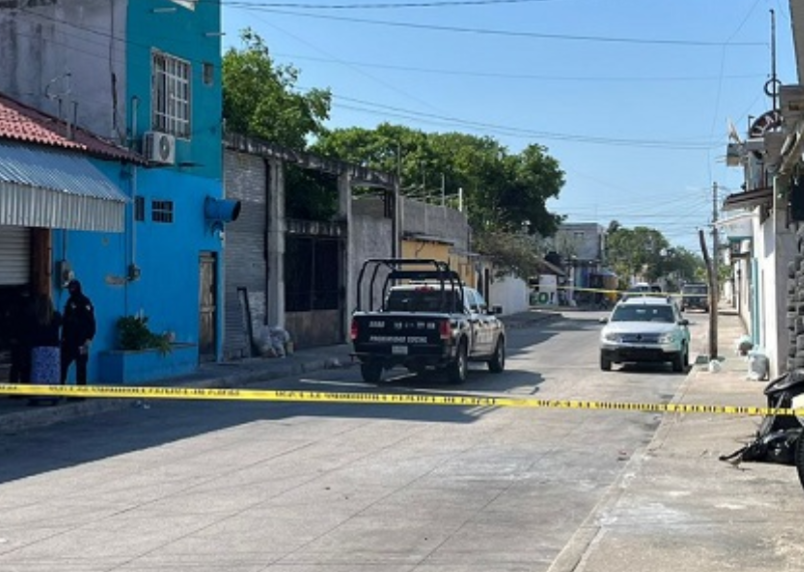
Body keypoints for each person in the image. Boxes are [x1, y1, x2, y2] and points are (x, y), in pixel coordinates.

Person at [60, 280, 96, 386]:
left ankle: (80, 392)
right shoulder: (69, 302)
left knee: (81, 366)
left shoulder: (85, 302)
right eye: (69, 288)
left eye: (72, 288)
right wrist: (63, 337)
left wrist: (89, 338)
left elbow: (91, 322)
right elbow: (66, 322)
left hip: (82, 340)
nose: (70, 291)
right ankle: (60, 388)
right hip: (69, 340)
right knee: (63, 364)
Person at [29, 295, 62, 405]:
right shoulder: (56, 316)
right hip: (53, 348)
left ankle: (37, 396)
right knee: (52, 373)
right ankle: (53, 396)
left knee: (38, 374)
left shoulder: (35, 317)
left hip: (38, 347)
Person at [8, 288, 35, 386]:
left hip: (21, 340)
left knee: (18, 365)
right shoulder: (29, 306)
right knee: (23, 365)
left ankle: (16, 389)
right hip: (25, 340)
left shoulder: (15, 306)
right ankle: (23, 387)